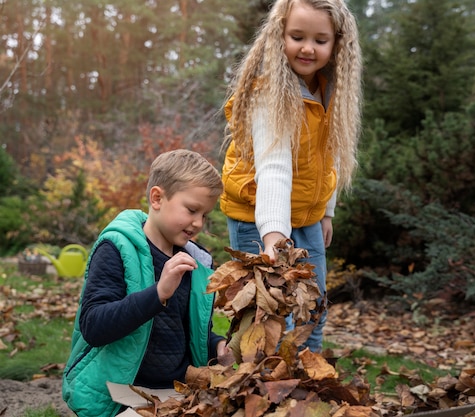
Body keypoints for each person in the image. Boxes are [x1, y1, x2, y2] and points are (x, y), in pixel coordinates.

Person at [220, 0, 362, 352]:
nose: (308, 48)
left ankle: (306, 386)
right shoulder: (270, 94)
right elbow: (274, 169)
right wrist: (273, 239)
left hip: (307, 218)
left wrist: (327, 210)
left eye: (320, 39)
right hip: (259, 215)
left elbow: (333, 154)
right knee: (266, 313)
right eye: (297, 36)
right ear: (279, 35)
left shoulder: (333, 91)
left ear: (337, 43)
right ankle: (258, 391)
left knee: (313, 307)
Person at [62, 149, 229, 417]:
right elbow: (93, 326)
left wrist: (217, 346)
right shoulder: (117, 248)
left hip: (175, 393)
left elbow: (184, 330)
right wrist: (158, 294)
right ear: (157, 198)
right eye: (192, 210)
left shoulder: (195, 262)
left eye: (205, 215)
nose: (198, 223)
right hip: (119, 393)